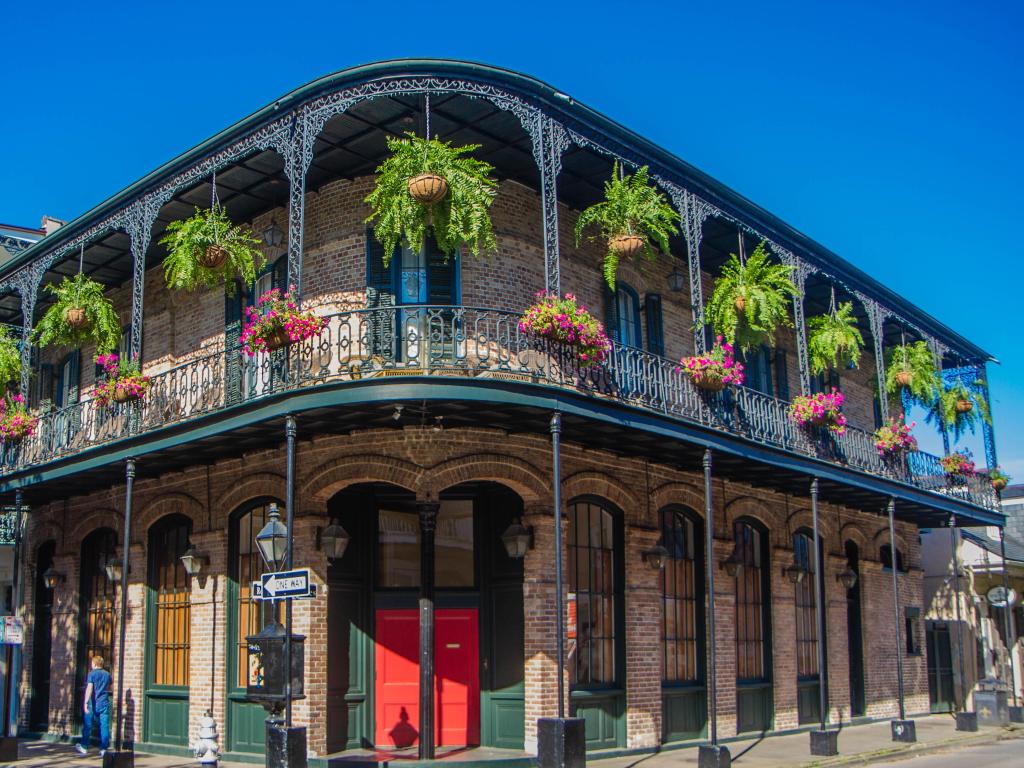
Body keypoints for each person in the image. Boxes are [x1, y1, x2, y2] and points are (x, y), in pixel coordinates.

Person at [76, 655, 112, 756]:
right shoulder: (107, 674)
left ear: (95, 664)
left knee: (88, 725)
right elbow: (110, 685)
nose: (91, 665)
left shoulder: (91, 674)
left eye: (92, 663)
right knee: (104, 725)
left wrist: (85, 702)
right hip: (104, 701)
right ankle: (104, 748)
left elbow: (89, 688)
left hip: (93, 702)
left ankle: (84, 746)